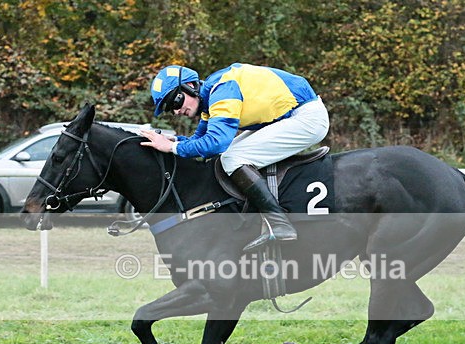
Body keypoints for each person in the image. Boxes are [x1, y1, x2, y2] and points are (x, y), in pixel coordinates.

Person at [140, 63, 329, 251]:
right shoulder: (210, 99)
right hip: (292, 115)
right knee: (227, 156)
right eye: (169, 109)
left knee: (232, 158)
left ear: (190, 86)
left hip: (306, 117)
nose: (176, 111)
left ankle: (279, 222)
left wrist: (172, 147)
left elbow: (216, 143)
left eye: (175, 101)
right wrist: (174, 141)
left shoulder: (222, 90)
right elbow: (200, 141)